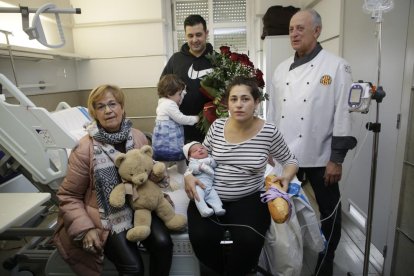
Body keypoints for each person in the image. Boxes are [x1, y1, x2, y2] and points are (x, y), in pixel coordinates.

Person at [266, 9, 357, 276]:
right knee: (283, 210)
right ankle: (289, 260)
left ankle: (325, 264)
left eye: (300, 29)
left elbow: (343, 113)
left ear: (317, 31)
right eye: (291, 29)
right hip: (285, 156)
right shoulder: (281, 69)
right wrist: (270, 149)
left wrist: (336, 159)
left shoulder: (336, 66)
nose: (293, 33)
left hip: (321, 156)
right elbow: (273, 114)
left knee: (329, 214)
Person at [53, 84, 173, 276]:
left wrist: (157, 174)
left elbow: (147, 177)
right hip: (106, 217)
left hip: (139, 206)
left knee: (163, 243)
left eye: (112, 104)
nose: (108, 110)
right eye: (101, 106)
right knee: (133, 268)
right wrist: (86, 229)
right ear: (95, 113)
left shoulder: (138, 137)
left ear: (122, 107)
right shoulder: (85, 149)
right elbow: (69, 196)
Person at [184, 76, 299, 275]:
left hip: (249, 198)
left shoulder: (268, 132)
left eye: (245, 99)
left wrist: (286, 178)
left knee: (249, 241)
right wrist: (188, 175)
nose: (239, 105)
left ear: (256, 102)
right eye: (234, 99)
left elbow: (290, 161)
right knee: (202, 238)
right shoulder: (217, 127)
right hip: (210, 194)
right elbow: (200, 156)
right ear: (227, 102)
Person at [160, 14, 214, 144]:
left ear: (206, 33)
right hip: (179, 131)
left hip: (210, 131)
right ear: (185, 35)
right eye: (190, 35)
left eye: (198, 34)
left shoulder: (217, 60)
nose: (195, 39)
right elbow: (162, 91)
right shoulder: (175, 60)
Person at [152, 74, 199, 173]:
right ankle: (179, 175)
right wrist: (195, 119)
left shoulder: (163, 102)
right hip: (169, 140)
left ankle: (178, 174)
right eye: (179, 94)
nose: (180, 97)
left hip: (165, 140)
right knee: (171, 159)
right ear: (169, 94)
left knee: (167, 159)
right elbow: (180, 118)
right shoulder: (169, 104)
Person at [183, 141, 225, 217]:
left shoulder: (209, 158)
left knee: (214, 196)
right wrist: (200, 167)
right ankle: (204, 210)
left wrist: (209, 161)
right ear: (190, 157)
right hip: (199, 185)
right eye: (195, 151)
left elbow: (214, 164)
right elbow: (192, 169)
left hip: (210, 186)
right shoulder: (193, 162)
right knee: (198, 197)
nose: (200, 150)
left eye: (202, 148)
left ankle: (218, 208)